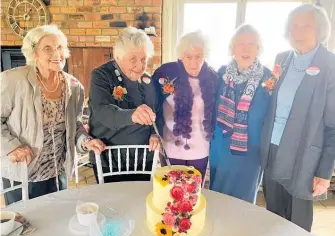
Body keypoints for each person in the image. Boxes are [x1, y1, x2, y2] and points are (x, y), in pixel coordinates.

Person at [0, 25, 104, 205]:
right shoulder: (13, 80)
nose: (57, 53)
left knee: (56, 219)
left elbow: (75, 124)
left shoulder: (73, 86)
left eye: (60, 47)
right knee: (25, 225)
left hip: (58, 170)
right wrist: (13, 146)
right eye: (47, 48)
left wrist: (86, 141)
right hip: (23, 172)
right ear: (34, 53)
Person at [261, 4, 335, 232]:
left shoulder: (330, 65)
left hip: (305, 158)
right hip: (273, 149)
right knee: (274, 213)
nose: (299, 32)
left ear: (320, 30)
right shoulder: (281, 59)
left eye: (306, 26)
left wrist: (324, 173)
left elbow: (333, 126)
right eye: (294, 26)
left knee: (298, 222)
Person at [209, 24, 272, 204]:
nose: (246, 49)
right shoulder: (220, 74)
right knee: (218, 197)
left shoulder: (269, 79)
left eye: (251, 44)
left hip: (250, 151)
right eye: (240, 43)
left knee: (244, 200)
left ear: (258, 49)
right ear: (232, 48)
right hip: (220, 147)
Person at [88, 27, 160, 183]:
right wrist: (132, 115)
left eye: (144, 59)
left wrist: (154, 133)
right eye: (133, 59)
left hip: (143, 158)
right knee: (112, 204)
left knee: (140, 202)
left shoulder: (147, 81)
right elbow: (102, 111)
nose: (140, 66)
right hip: (110, 158)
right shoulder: (101, 76)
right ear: (117, 57)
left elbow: (156, 112)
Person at [152, 31, 218, 182]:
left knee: (193, 192)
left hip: (200, 147)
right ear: (181, 56)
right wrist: (153, 132)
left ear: (205, 56)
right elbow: (152, 103)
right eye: (189, 57)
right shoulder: (166, 73)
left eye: (198, 57)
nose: (194, 63)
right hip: (170, 144)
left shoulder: (213, 78)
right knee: (171, 190)